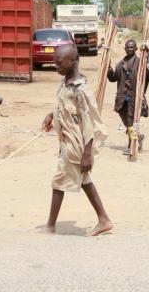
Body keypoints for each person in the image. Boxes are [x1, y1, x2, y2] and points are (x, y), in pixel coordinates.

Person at [41, 44, 113, 236]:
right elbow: (64, 108)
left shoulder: (80, 90)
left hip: (77, 146)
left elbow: (89, 122)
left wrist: (87, 154)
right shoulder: (66, 83)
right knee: (85, 181)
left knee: (58, 182)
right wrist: (51, 116)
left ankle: (50, 226)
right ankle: (104, 219)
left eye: (58, 63)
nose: (55, 66)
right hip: (67, 142)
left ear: (72, 61)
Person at [107, 39, 149, 154]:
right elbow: (113, 78)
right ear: (124, 49)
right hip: (122, 98)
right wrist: (109, 71)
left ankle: (131, 145)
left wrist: (147, 58)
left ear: (136, 49)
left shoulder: (140, 62)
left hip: (134, 97)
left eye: (131, 47)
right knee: (126, 122)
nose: (129, 49)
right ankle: (138, 136)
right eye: (127, 47)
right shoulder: (121, 64)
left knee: (130, 121)